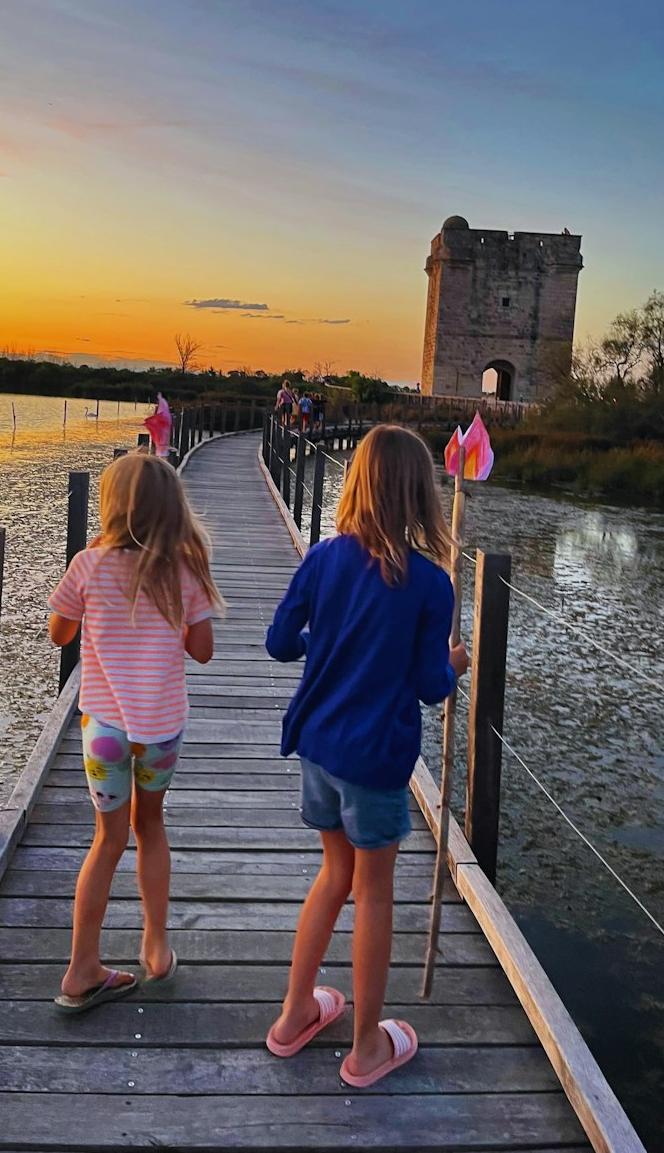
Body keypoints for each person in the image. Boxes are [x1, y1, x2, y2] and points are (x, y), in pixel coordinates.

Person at [264, 425, 468, 1086]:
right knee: (373, 890)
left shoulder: (322, 558)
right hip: (375, 757)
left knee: (333, 874)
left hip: (318, 746)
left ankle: (295, 1014)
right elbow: (432, 685)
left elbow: (277, 641)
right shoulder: (431, 585)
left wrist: (318, 645)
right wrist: (454, 662)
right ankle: (366, 1048)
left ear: (355, 482)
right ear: (419, 497)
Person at [47, 453, 223, 1012]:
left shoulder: (88, 564)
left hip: (102, 729)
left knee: (107, 840)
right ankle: (156, 948)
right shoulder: (184, 571)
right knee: (150, 827)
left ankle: (81, 969)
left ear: (112, 506)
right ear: (173, 510)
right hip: (160, 730)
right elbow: (203, 652)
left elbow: (58, 634)